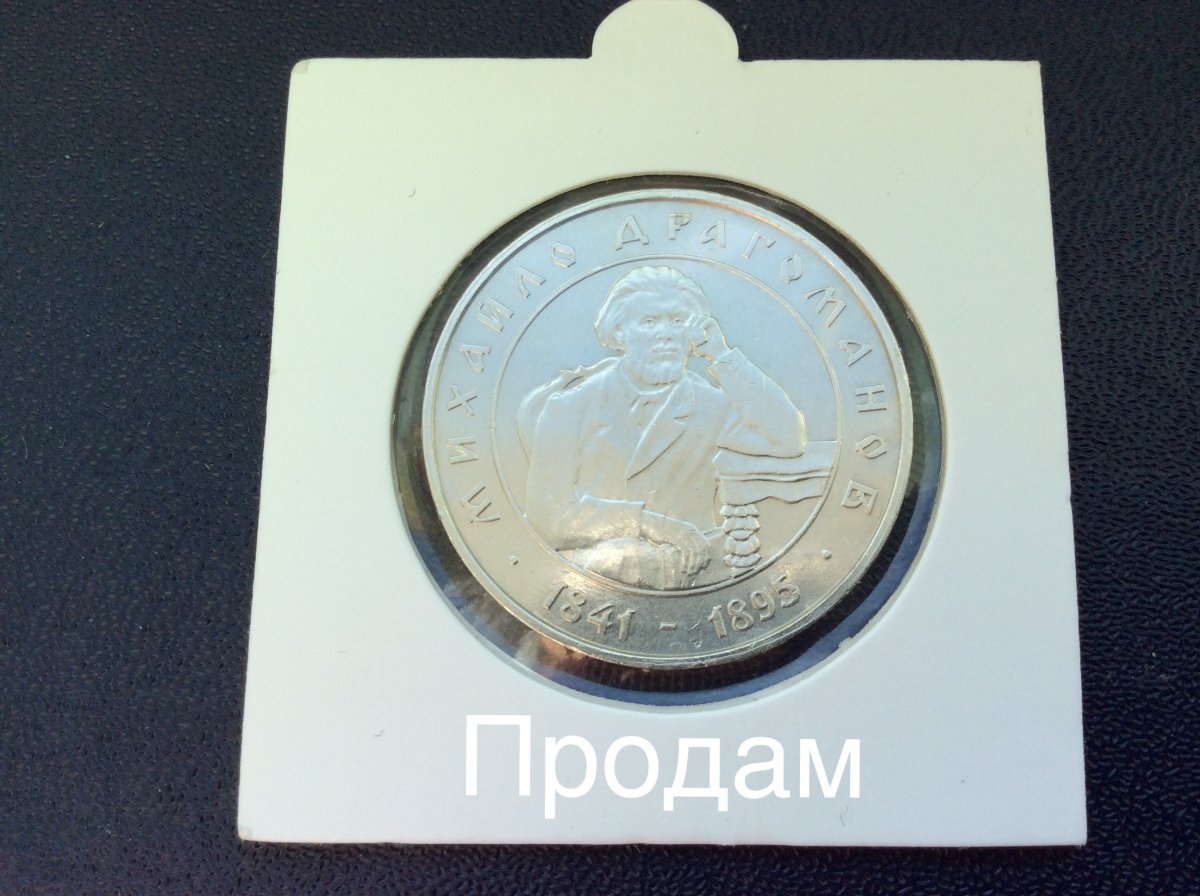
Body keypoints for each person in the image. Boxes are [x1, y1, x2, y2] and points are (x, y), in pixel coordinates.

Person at [521, 265, 806, 590]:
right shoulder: (569, 408)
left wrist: (721, 354)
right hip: (601, 582)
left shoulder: (708, 405)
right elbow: (548, 517)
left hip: (697, 581)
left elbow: (788, 439)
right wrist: (648, 523)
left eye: (678, 320)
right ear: (619, 331)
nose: (666, 334)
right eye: (649, 322)